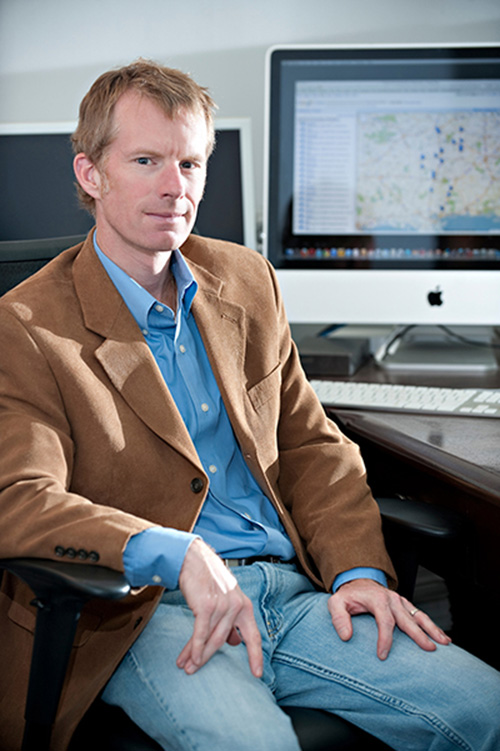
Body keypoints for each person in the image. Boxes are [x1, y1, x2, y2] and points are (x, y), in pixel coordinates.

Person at [0, 59, 498, 751]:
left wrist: (357, 572)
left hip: (295, 598)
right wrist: (175, 554)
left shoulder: (245, 277)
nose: (176, 187)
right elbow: (18, 498)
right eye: (147, 160)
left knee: (487, 710)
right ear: (91, 174)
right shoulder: (25, 324)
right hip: (149, 615)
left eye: (192, 163)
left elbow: (310, 445)